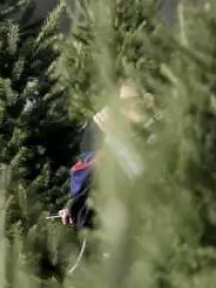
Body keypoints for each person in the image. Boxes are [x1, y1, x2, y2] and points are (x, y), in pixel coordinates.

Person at [58, 81, 152, 230]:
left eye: (131, 102)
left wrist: (114, 137)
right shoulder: (107, 140)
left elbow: (145, 177)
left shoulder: (155, 136)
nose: (124, 110)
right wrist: (75, 208)